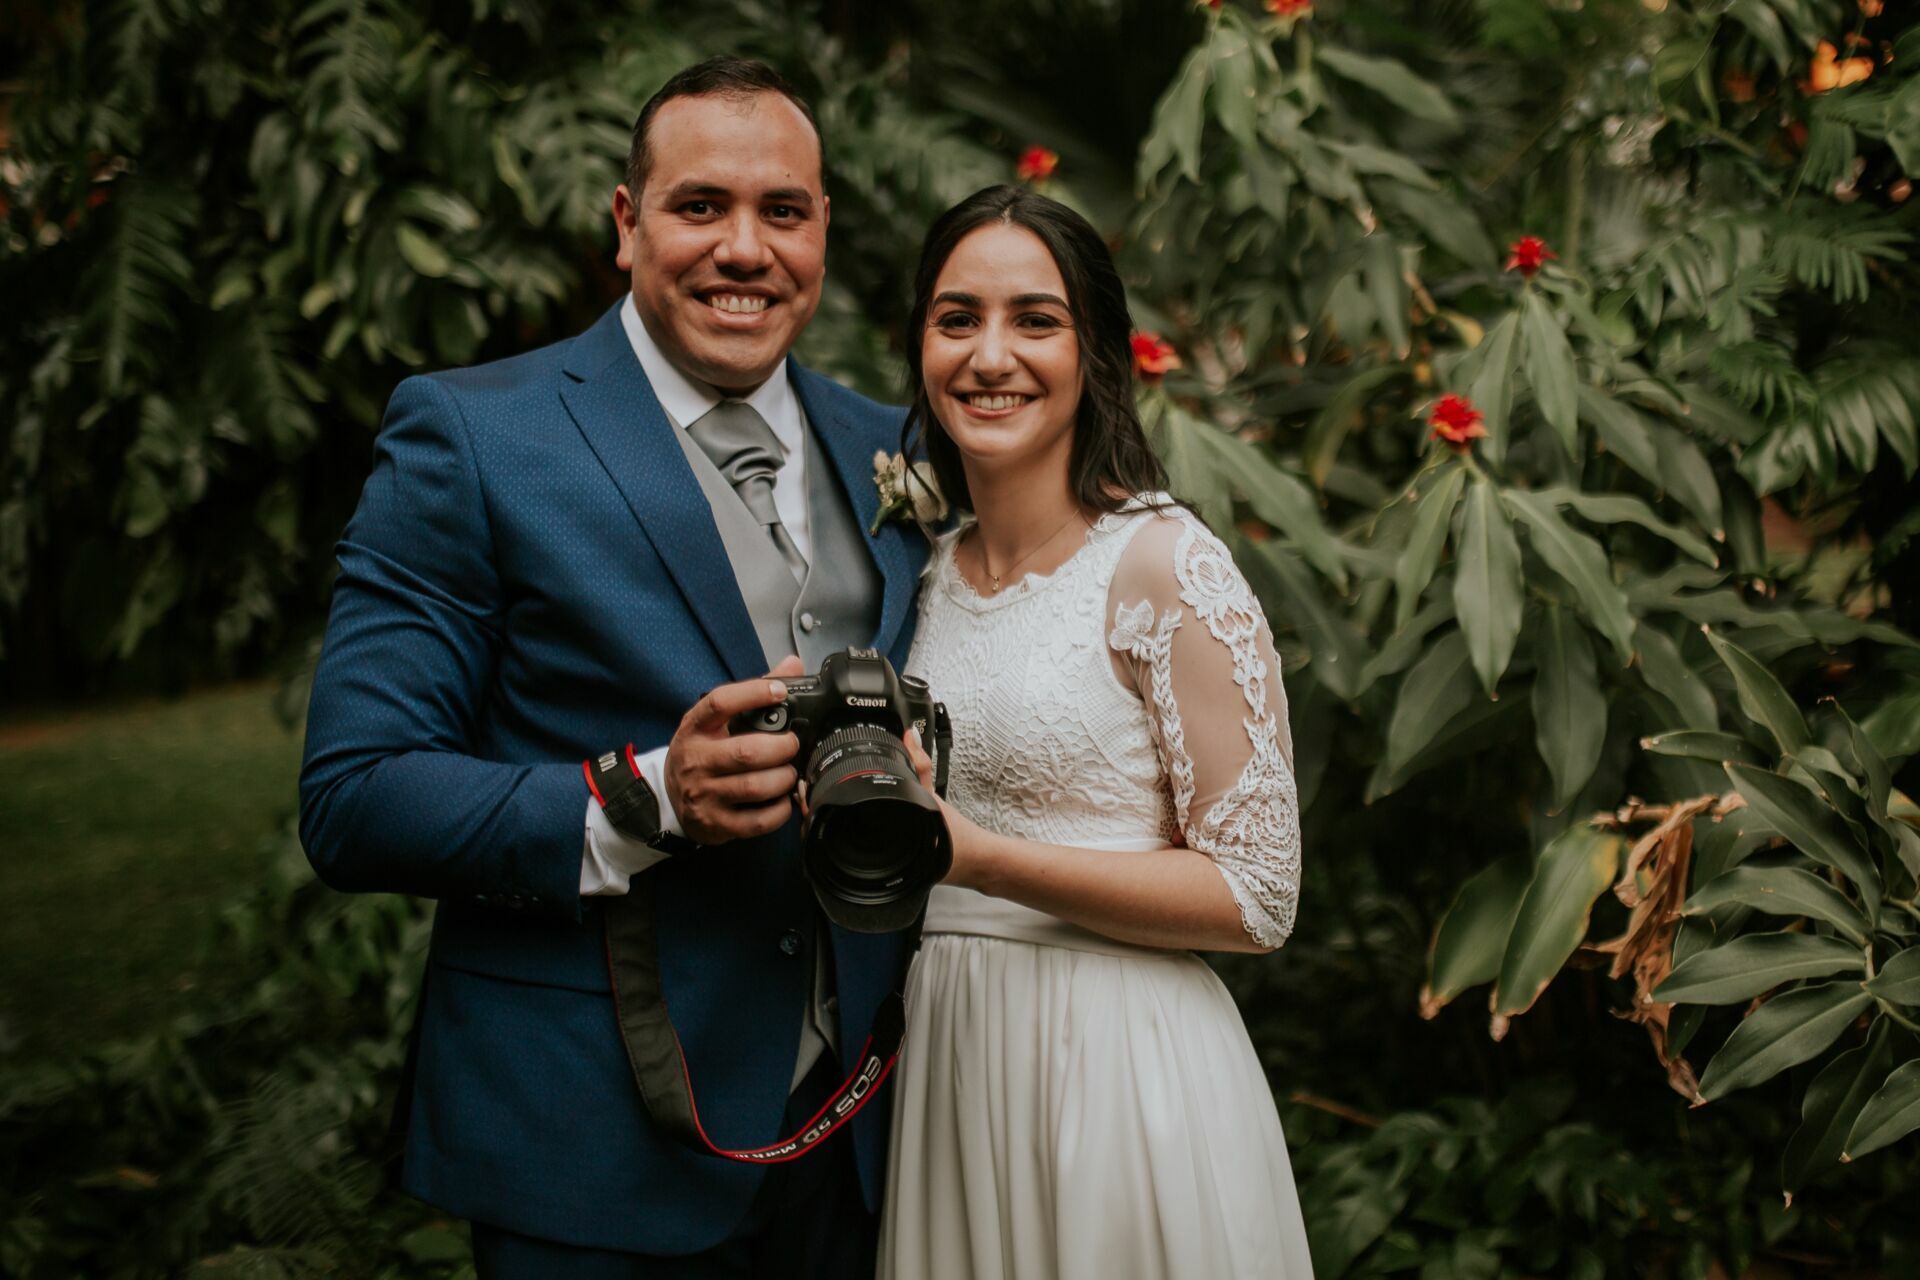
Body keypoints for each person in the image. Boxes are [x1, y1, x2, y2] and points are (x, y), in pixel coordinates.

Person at [298, 57, 926, 1277]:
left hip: (864, 1137)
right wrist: (645, 799)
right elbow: (354, 794)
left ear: (823, 232)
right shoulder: (477, 435)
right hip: (590, 1142)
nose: (745, 249)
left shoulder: (887, 444)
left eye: (782, 212)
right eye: (701, 206)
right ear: (627, 221)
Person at [878, 185, 1315, 1278]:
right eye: (956, 317)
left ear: (1096, 355)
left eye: (1035, 318)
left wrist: (976, 857)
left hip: (1123, 1070)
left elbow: (1258, 895)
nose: (991, 355)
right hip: (956, 1063)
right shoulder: (926, 574)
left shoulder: (1163, 566)